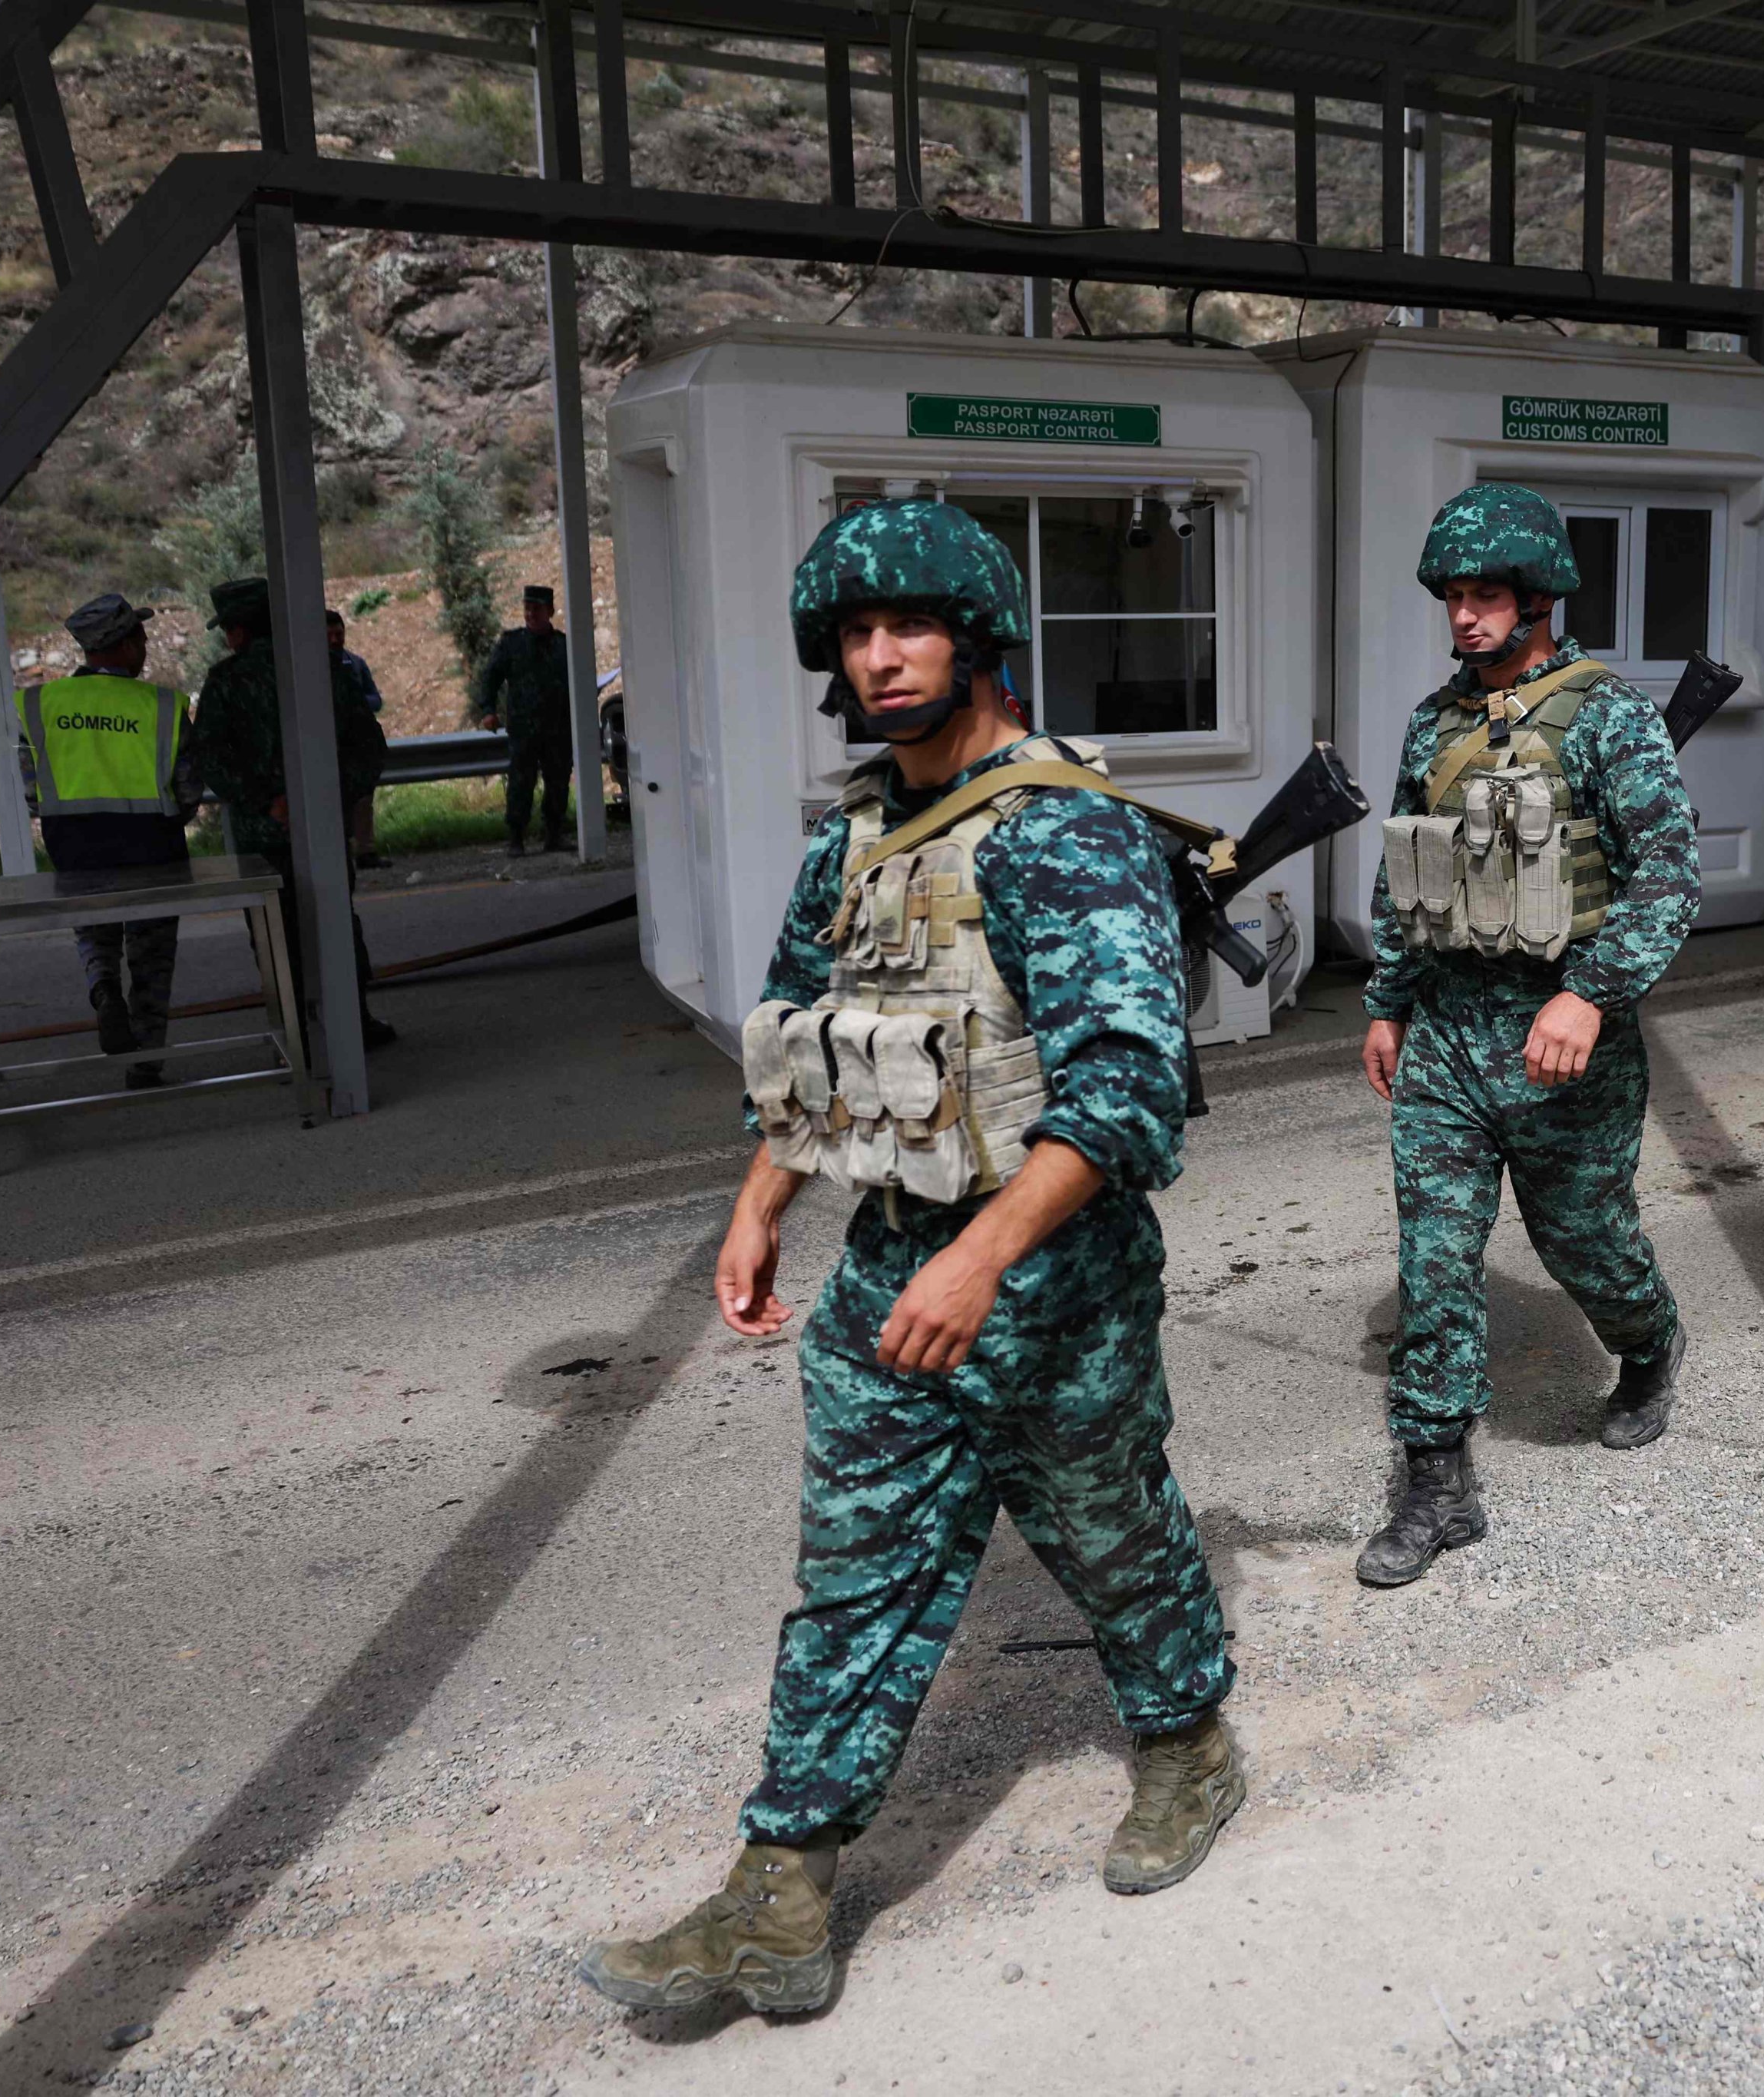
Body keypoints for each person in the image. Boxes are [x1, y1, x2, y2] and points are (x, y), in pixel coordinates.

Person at [580, 500, 1239, 2019]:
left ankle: (1190, 1737)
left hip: (1052, 1278)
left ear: (977, 637)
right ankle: (781, 1895)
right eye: (856, 636)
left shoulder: (1066, 829)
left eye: (909, 627)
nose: (880, 658)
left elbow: (1129, 1091)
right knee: (856, 1577)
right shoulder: (853, 842)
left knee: (1109, 1529)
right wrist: (757, 1205)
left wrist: (987, 1262)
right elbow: (809, 1055)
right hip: (893, 1264)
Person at [1353, 482, 1701, 1589]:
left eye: (1485, 594)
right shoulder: (1432, 723)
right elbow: (1408, 872)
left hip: (1565, 1038)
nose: (1463, 615)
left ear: (1539, 596)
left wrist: (1590, 993)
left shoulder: (1608, 715)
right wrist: (1386, 997)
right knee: (1434, 1255)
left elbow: (1667, 880)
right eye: (1453, 596)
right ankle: (1435, 1479)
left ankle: (1647, 1344)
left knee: (1584, 1242)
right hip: (1452, 1030)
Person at [179, 577, 396, 1051]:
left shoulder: (226, 681)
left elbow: (209, 755)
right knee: (337, 919)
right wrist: (329, 798)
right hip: (322, 827)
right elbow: (369, 748)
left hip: (262, 835)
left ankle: (294, 1035)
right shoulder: (324, 671)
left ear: (239, 632)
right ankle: (354, 1020)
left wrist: (264, 801)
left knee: (273, 934)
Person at [18, 593, 192, 1088]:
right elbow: (189, 789)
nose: (145, 647)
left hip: (75, 848)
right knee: (152, 955)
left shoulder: (39, 705)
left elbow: (32, 791)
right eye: (140, 638)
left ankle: (102, 988)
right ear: (127, 643)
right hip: (153, 849)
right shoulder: (161, 705)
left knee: (94, 930)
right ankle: (145, 1064)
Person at [473, 582, 573, 855]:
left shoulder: (565, 645)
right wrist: (488, 710)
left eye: (537, 609)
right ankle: (516, 838)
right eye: (527, 609)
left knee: (558, 781)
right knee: (521, 782)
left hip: (557, 727)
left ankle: (554, 835)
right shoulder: (512, 643)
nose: (531, 614)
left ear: (550, 611)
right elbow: (490, 678)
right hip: (524, 727)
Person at [328, 608, 390, 869]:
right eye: (329, 635)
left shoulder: (355, 664)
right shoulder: (311, 671)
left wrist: (355, 703)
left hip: (359, 745)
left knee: (363, 799)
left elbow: (376, 700)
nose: (335, 640)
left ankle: (365, 852)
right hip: (332, 746)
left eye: (339, 634)